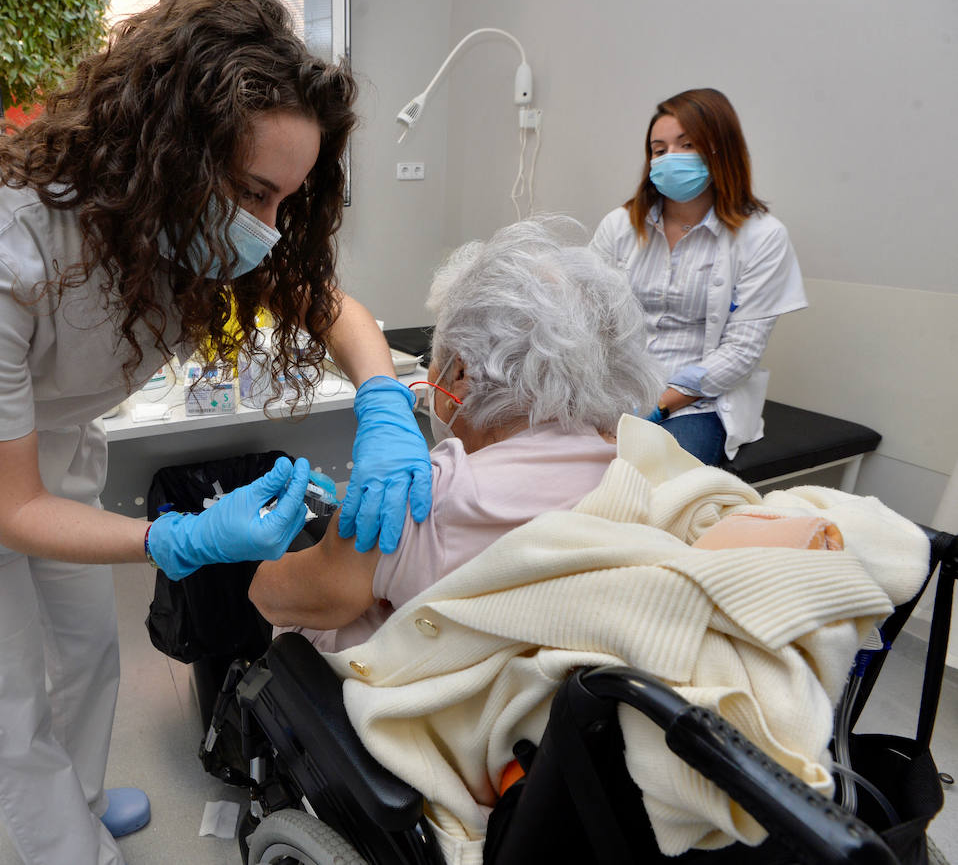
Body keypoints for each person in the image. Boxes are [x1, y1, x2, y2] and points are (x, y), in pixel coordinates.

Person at [0, 0, 431, 865]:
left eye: (286, 201)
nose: (267, 230)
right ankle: (64, 846)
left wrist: (385, 402)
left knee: (87, 656)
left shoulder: (184, 223)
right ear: (167, 150)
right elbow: (9, 506)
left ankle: (75, 801)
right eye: (254, 193)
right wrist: (181, 534)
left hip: (54, 452)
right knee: (5, 705)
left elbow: (327, 304)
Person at [249, 217, 663, 652]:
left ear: (459, 373)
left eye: (438, 360)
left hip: (374, 698)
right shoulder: (633, 468)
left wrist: (251, 563)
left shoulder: (430, 495)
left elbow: (278, 597)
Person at [590, 88, 807, 465]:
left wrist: (658, 406)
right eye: (659, 150)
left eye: (686, 145)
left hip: (699, 403)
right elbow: (585, 315)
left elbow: (741, 352)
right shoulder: (621, 225)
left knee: (654, 477)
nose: (669, 159)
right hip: (614, 389)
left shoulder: (763, 236)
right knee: (553, 463)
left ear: (720, 151)